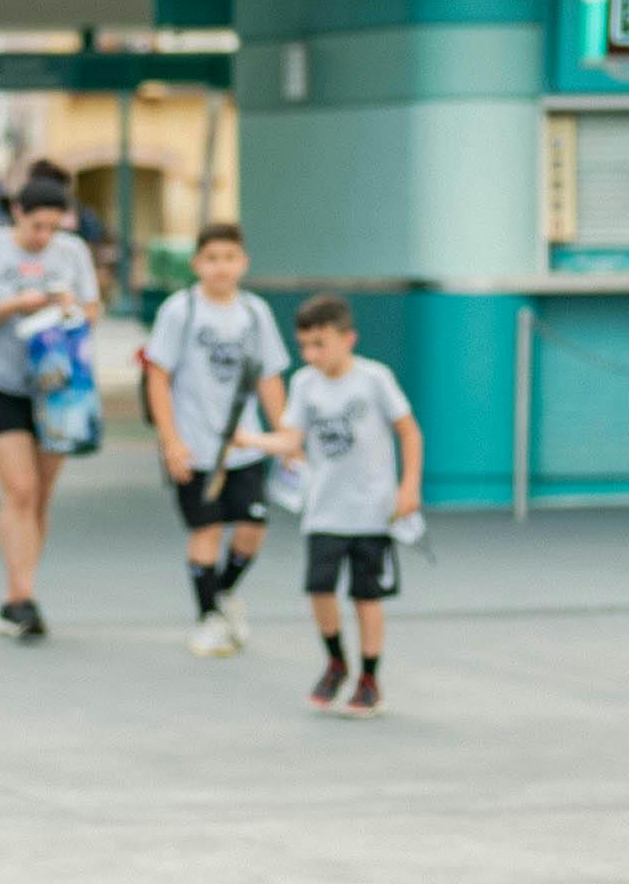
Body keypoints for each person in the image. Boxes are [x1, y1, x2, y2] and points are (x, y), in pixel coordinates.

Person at [0, 167, 96, 640]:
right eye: (37, 226)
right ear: (18, 214)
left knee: (40, 496)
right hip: (0, 384)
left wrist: (69, 309)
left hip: (57, 388)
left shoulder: (72, 253)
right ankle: (20, 598)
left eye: (53, 228)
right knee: (19, 488)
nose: (44, 237)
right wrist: (19, 304)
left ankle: (23, 589)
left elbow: (91, 310)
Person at [266, 293, 422, 719]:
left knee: (365, 597)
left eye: (320, 344)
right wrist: (252, 441)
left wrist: (408, 488)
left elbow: (410, 432)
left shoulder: (375, 379)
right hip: (323, 510)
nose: (311, 354)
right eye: (304, 346)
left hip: (373, 511)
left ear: (347, 338)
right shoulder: (303, 384)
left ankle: (369, 678)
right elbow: (290, 440)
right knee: (319, 588)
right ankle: (336, 662)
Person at [144, 221, 290, 658]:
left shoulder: (254, 313)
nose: (221, 268)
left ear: (243, 263)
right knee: (206, 529)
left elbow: (269, 376)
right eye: (212, 259)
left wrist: (283, 436)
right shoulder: (180, 310)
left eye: (229, 258)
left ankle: (223, 594)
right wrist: (171, 441)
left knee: (252, 526)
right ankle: (208, 617)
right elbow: (158, 376)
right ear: (197, 264)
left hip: (242, 445)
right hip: (193, 442)